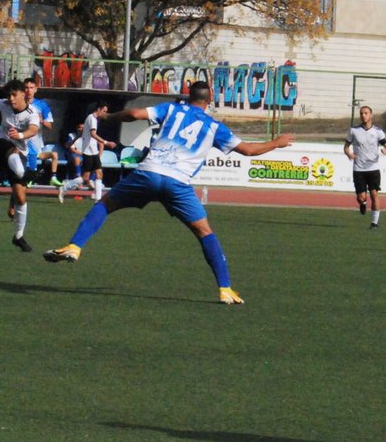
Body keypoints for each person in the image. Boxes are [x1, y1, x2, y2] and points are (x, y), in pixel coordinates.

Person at [45, 79, 294, 304]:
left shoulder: (172, 109)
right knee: (204, 232)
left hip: (149, 173)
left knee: (104, 204)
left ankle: (75, 246)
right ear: (208, 101)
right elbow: (249, 150)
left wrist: (108, 117)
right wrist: (277, 142)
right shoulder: (214, 126)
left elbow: (134, 113)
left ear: (188, 96)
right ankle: (225, 288)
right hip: (178, 184)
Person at [0, 79, 43, 251]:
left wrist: (20, 135)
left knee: (21, 197)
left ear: (23, 94)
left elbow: (33, 130)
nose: (11, 98)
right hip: (0, 144)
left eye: (14, 95)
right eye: (8, 95)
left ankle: (18, 236)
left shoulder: (32, 112)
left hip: (20, 151)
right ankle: (24, 174)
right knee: (12, 152)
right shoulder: (3, 104)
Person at [343, 105, 386, 229]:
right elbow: (346, 147)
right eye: (361, 113)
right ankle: (363, 203)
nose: (363, 115)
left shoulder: (378, 131)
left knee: (374, 194)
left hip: (373, 168)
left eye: (366, 113)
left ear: (371, 115)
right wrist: (349, 154)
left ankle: (374, 223)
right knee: (361, 197)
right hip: (359, 169)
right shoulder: (354, 130)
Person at [58, 102, 113, 202]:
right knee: (86, 178)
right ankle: (65, 187)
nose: (105, 113)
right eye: (104, 111)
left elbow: (83, 133)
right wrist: (106, 142)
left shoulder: (92, 119)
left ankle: (98, 198)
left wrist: (73, 141)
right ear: (99, 109)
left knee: (98, 174)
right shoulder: (92, 119)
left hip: (93, 151)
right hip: (88, 151)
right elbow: (93, 134)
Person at [23, 78, 62, 187]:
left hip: (35, 142)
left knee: (53, 154)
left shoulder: (42, 105)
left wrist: (41, 121)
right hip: (21, 142)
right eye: (26, 88)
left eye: (31, 88)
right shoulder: (18, 103)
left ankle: (52, 178)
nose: (28, 90)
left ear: (35, 89)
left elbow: (50, 126)